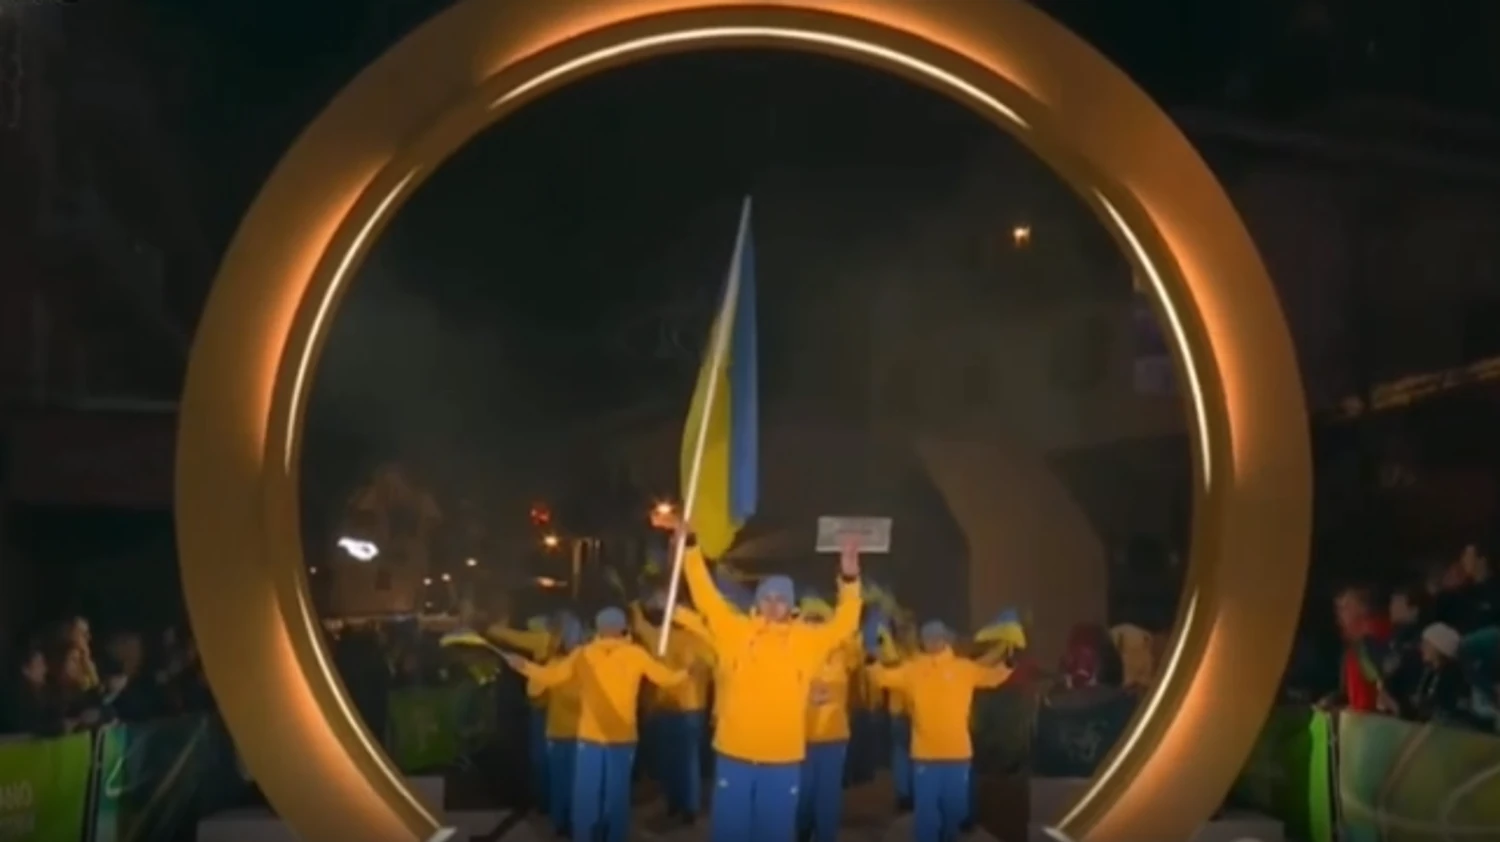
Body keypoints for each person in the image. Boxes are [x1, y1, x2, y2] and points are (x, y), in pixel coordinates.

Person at [651, 507, 861, 842]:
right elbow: (705, 595)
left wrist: (849, 578)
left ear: (791, 606)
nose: (773, 604)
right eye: (767, 598)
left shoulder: (807, 641)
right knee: (730, 832)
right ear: (758, 602)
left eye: (781, 599)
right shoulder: (735, 630)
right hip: (735, 755)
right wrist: (689, 544)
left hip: (782, 760)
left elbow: (845, 622)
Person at [504, 607, 687, 842]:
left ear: (598, 628)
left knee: (586, 795)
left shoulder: (583, 654)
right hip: (622, 738)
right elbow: (667, 679)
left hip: (590, 738)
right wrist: (686, 672)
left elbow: (552, 677)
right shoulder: (636, 655)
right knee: (616, 795)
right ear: (623, 628)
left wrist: (525, 667)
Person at [867, 621, 1013, 842]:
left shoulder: (964, 668)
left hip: (958, 754)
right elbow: (884, 678)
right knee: (926, 811)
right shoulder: (913, 669)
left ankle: (949, 836)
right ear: (923, 642)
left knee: (955, 809)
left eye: (937, 638)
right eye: (928, 638)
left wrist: (1008, 665)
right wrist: (872, 664)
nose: (933, 642)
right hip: (925, 755)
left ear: (946, 639)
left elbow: (991, 677)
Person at [630, 593, 715, 823]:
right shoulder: (664, 636)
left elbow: (715, 658)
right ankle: (674, 803)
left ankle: (689, 808)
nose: (677, 615)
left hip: (691, 709)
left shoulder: (702, 641)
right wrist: (637, 603)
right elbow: (642, 627)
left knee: (687, 762)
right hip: (666, 707)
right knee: (670, 760)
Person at [796, 597, 859, 842]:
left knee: (828, 795)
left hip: (833, 737)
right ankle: (801, 834)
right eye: (809, 620)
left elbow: (855, 648)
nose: (814, 625)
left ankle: (826, 836)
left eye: (819, 620)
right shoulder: (794, 652)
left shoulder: (842, 653)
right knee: (802, 794)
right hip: (799, 736)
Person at [487, 613, 562, 811]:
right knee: (558, 756)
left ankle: (543, 801)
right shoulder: (575, 645)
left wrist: (493, 628)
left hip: (541, 703)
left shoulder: (543, 639)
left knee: (540, 755)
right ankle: (557, 803)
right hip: (560, 705)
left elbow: (513, 637)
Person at [526, 613, 586, 838]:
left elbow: (534, 693)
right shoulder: (589, 665)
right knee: (578, 781)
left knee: (559, 780)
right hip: (583, 734)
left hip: (558, 732)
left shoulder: (554, 665)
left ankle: (560, 823)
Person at [1318, 585, 1391, 714]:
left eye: (1345, 607)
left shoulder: (1375, 639)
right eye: (1337, 608)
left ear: (1363, 609)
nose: (1338, 614)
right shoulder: (1353, 647)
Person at [1, 644, 50, 736]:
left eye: (44, 664)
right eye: (39, 665)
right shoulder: (18, 701)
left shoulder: (44, 695)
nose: (44, 670)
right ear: (26, 670)